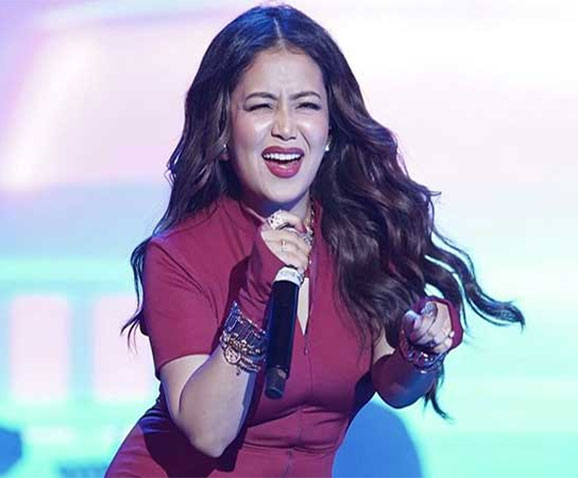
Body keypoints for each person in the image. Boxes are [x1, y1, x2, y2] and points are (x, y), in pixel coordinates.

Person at [106, 5, 524, 477]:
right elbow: (208, 432)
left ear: (330, 130)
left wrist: (421, 349)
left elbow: (394, 387)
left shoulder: (361, 238)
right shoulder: (179, 253)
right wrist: (257, 292)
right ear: (223, 130)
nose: (285, 128)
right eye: (261, 106)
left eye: (306, 105)